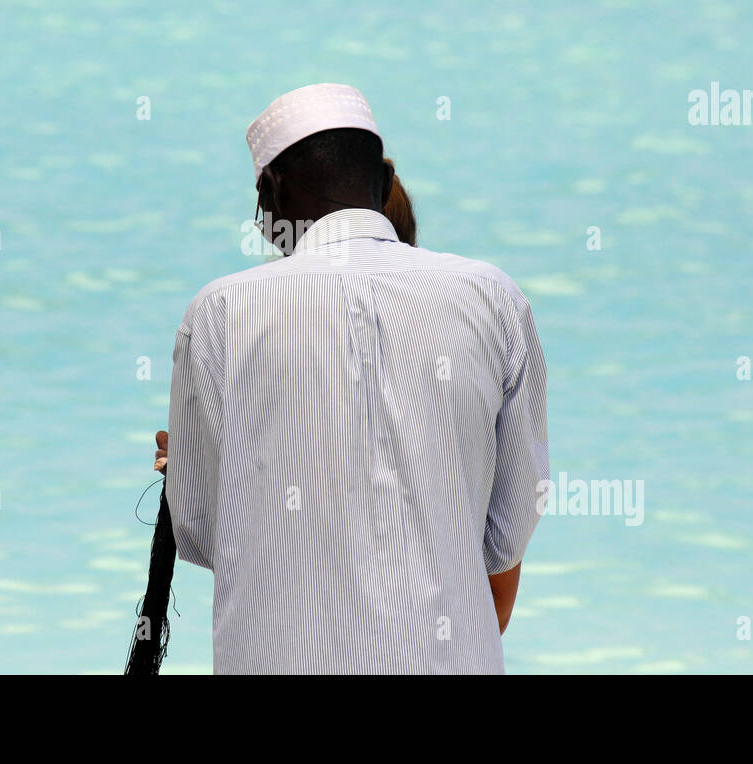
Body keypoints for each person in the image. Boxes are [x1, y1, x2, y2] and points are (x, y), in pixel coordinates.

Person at [154, 83, 547, 674]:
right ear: (385, 185)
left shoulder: (220, 313)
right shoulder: (492, 298)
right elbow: (509, 525)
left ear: (271, 189)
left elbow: (207, 534)